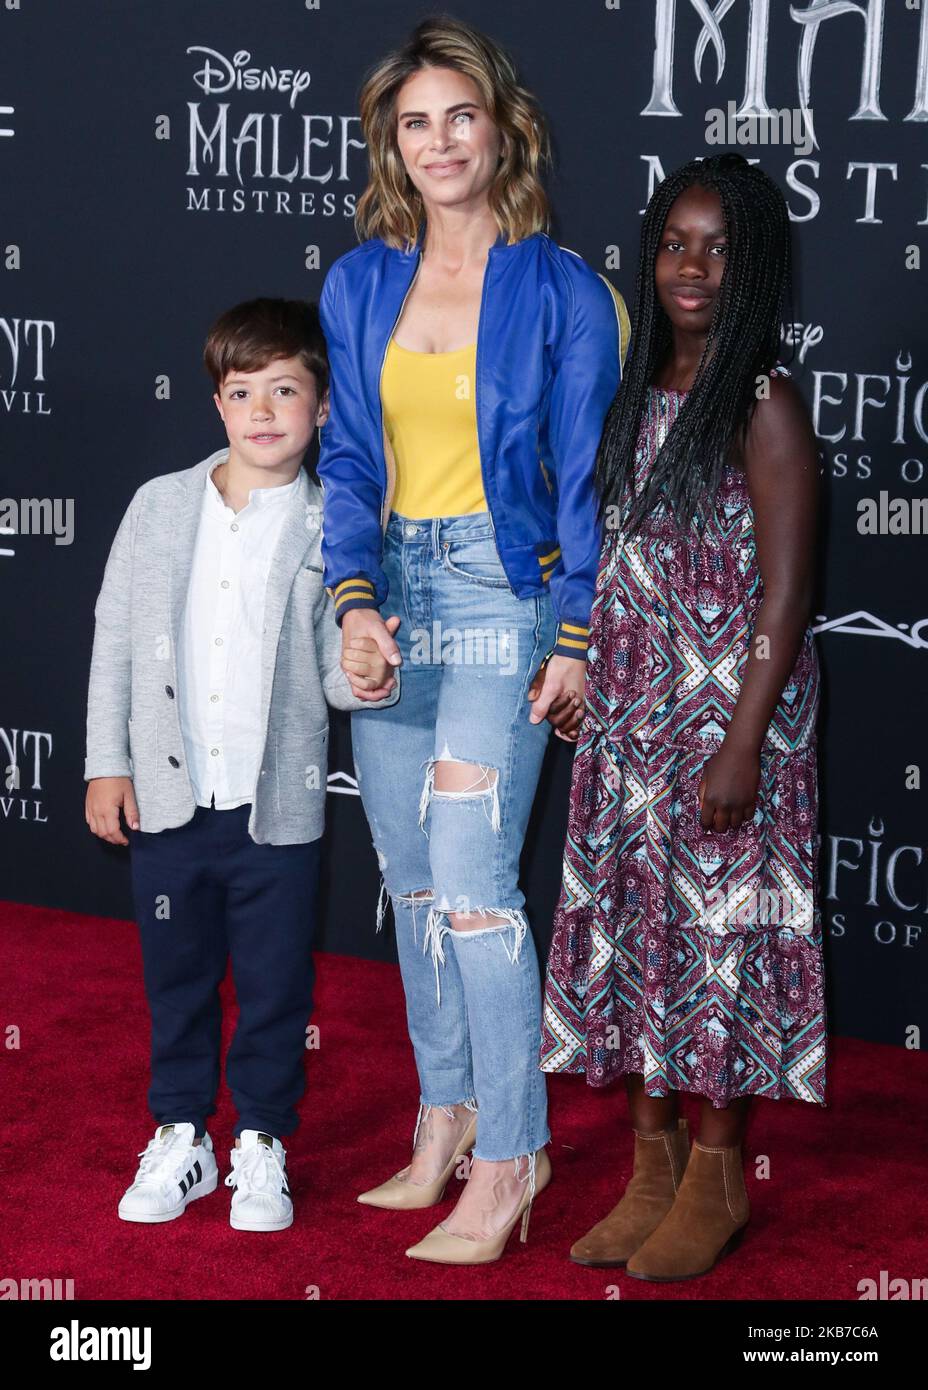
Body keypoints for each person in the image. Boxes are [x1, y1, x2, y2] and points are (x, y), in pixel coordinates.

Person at [316, 16, 629, 1264]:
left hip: (506, 599)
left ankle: (512, 1152)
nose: (438, 140)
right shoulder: (359, 282)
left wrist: (576, 632)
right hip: (392, 592)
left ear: (502, 128)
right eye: (413, 121)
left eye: (459, 115)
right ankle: (443, 1115)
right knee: (411, 883)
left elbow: (584, 482)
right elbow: (345, 457)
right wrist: (347, 601)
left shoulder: (561, 290)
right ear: (392, 144)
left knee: (474, 884)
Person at [541, 153, 827, 1280]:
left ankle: (716, 1175)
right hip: (633, 715)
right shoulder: (637, 387)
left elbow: (788, 592)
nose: (692, 266)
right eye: (674, 243)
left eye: (717, 246)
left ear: (751, 263)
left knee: (717, 952)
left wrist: (745, 738)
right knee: (645, 938)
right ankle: (648, 1164)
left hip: (726, 726)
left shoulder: (763, 400)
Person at [84, 297, 398, 1232]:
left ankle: (262, 1140)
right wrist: (109, 760)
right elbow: (114, 639)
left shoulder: (333, 529)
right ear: (217, 405)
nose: (263, 411)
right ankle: (182, 1136)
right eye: (241, 392)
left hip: (278, 818)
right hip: (173, 807)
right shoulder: (159, 506)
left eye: (285, 390)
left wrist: (369, 671)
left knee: (274, 987)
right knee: (175, 977)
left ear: (324, 406)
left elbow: (335, 681)